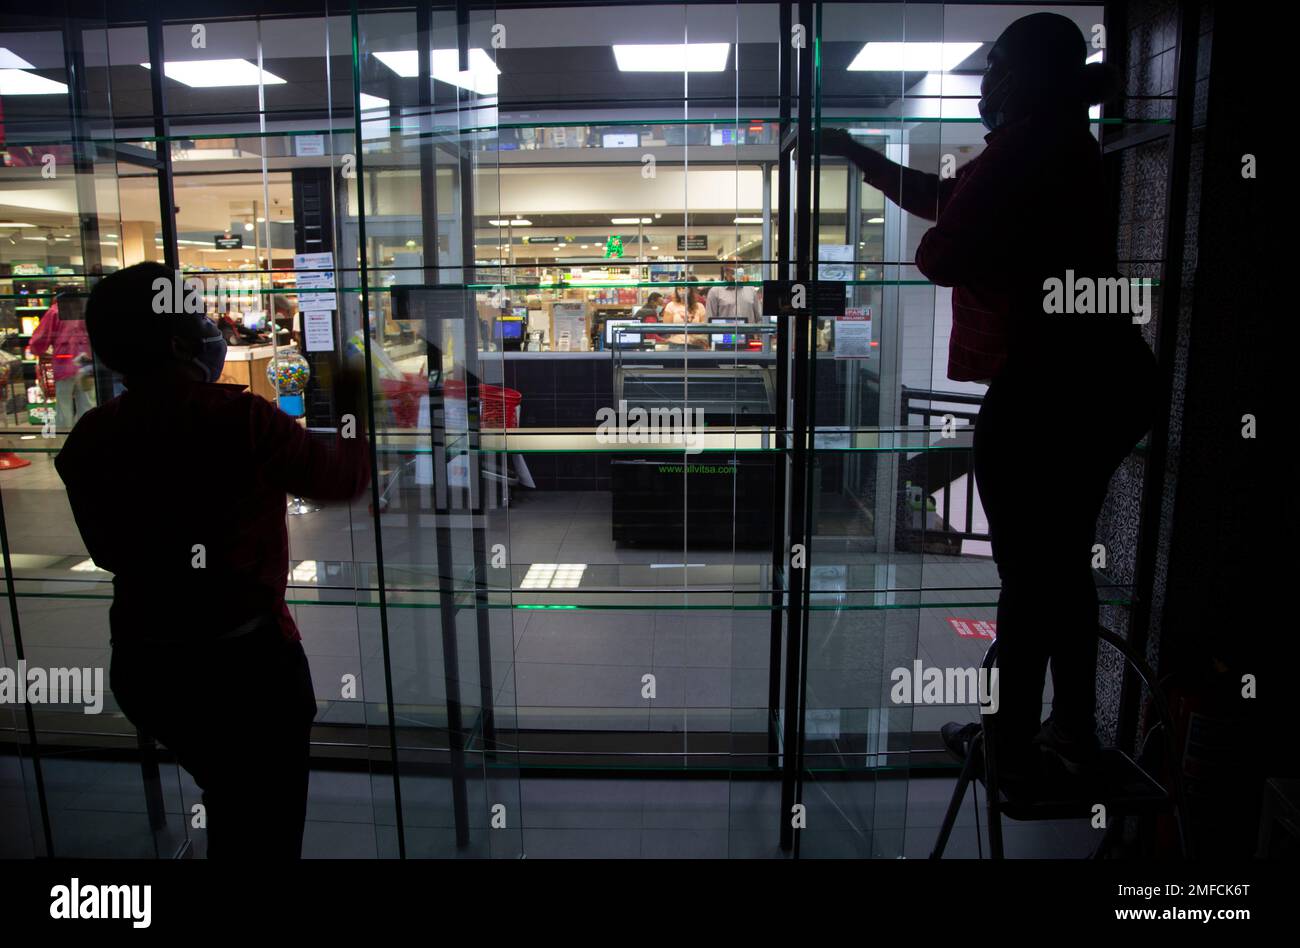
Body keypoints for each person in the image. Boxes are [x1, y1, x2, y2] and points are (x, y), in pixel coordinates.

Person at [823, 12, 1159, 785]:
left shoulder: (1031, 145)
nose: (986, 79)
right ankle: (1067, 730)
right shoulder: (1054, 139)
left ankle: (1009, 743)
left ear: (1030, 76)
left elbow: (945, 249)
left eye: (998, 65)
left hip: (1054, 386)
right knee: (1059, 570)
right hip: (1098, 379)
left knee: (1033, 574)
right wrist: (857, 155)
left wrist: (959, 231)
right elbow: (953, 204)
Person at [54, 262, 371, 857]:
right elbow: (340, 477)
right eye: (197, 319)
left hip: (147, 665)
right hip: (245, 669)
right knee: (262, 826)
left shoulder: (91, 437)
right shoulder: (241, 421)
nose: (210, 329)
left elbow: (108, 551)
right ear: (179, 344)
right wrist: (353, 398)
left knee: (230, 795)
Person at [28, 296, 95, 430]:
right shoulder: (85, 310)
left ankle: (65, 443)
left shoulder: (55, 311)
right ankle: (88, 439)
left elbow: (41, 337)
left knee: (64, 408)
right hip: (86, 363)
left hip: (64, 364)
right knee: (88, 405)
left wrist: (36, 349)